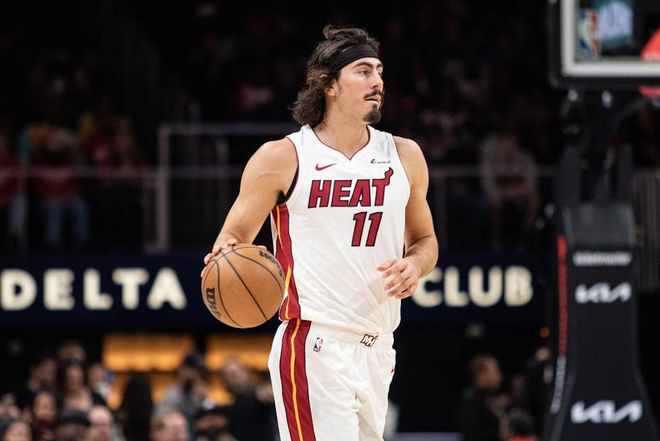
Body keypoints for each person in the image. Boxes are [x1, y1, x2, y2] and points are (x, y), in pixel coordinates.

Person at [203, 25, 438, 441]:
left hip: (379, 345)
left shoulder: (404, 154)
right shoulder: (284, 157)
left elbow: (425, 241)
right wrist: (226, 258)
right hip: (314, 343)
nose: (377, 81)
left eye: (380, 71)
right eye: (363, 71)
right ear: (329, 85)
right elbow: (233, 237)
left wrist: (415, 266)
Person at [459, 355, 510, 441]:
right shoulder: (471, 401)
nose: (500, 376)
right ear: (482, 374)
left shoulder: (488, 399)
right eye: (495, 371)